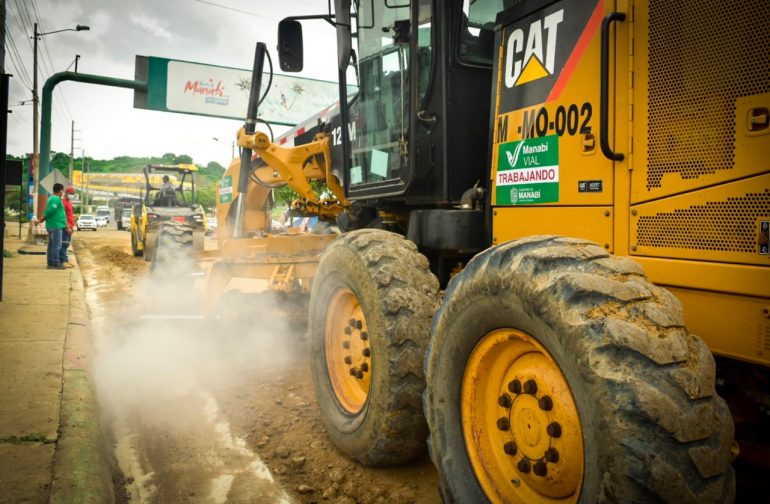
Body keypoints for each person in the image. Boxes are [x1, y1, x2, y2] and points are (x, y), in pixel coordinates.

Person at [39, 183, 67, 270]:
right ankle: (55, 262)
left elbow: (49, 210)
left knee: (51, 245)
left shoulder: (51, 198)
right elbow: (51, 210)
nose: (63, 193)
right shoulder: (56, 199)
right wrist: (44, 217)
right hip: (56, 225)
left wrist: (44, 217)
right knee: (57, 245)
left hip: (53, 225)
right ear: (61, 191)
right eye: (63, 191)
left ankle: (50, 263)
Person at [60, 186, 76, 268]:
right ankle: (62, 261)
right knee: (64, 244)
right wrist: (67, 227)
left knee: (66, 244)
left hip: (70, 226)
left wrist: (72, 226)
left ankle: (65, 259)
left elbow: (70, 215)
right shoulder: (63, 202)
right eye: (71, 193)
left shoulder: (69, 202)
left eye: (73, 194)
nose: (72, 195)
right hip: (66, 227)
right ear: (66, 193)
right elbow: (63, 216)